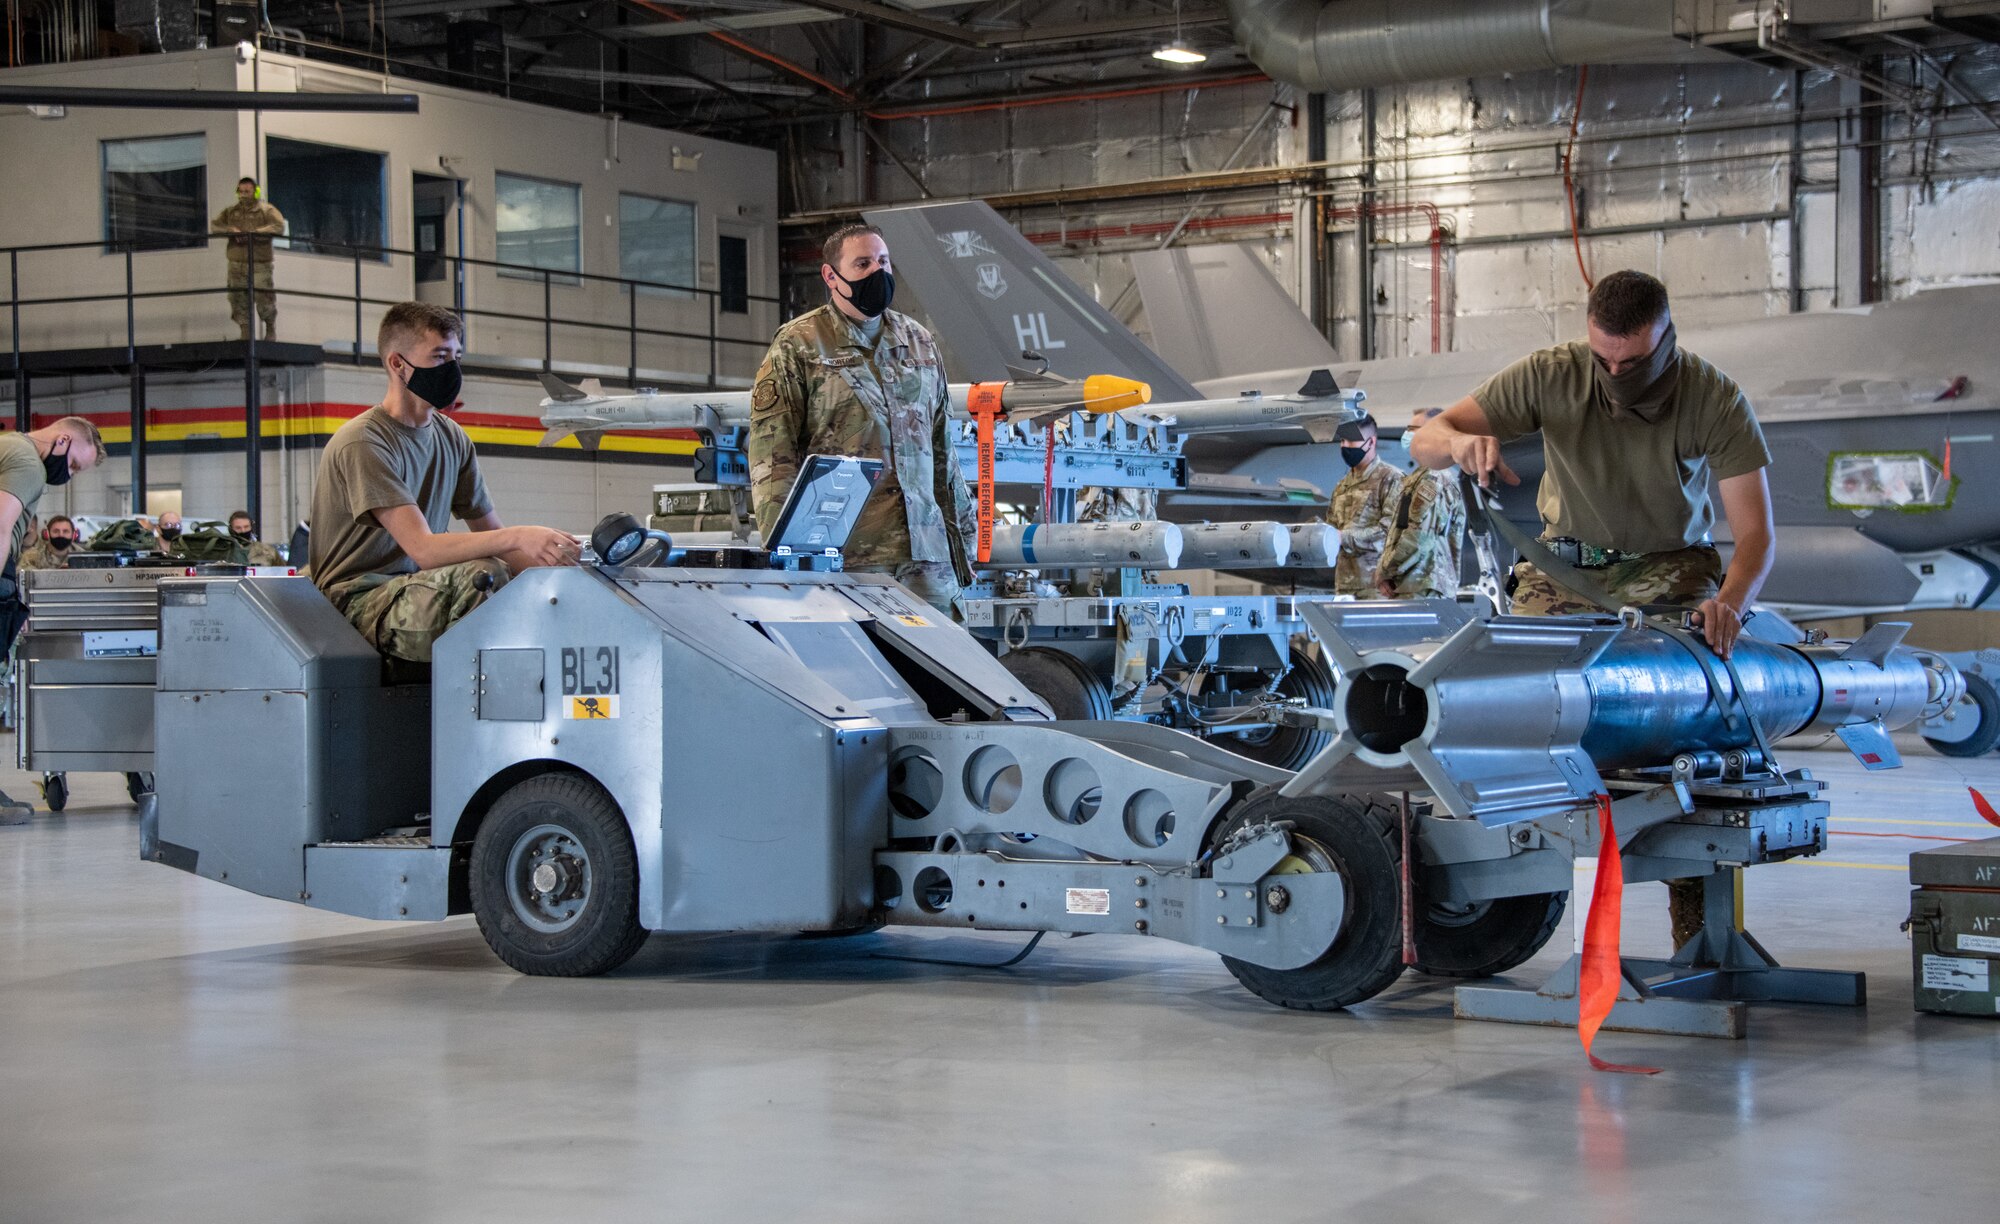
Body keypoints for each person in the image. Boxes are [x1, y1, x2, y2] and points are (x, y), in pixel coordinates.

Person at [1410, 269, 1775, 949]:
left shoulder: (1713, 397)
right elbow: (1424, 439)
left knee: (1690, 733)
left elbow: (1755, 536)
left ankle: (1699, 933)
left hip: (1672, 569)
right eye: (1603, 358)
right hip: (1563, 570)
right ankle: (1474, 909)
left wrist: (1730, 604)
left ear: (1666, 338)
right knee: (1499, 712)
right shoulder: (1553, 376)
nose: (1614, 373)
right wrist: (1458, 442)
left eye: (1632, 361)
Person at [308, 301, 577, 662]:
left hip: (417, 590)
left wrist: (565, 574)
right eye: (439, 356)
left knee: (520, 577)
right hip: (356, 602)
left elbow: (493, 536)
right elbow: (424, 549)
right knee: (484, 574)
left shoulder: (452, 438)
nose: (451, 368)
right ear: (397, 364)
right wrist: (519, 535)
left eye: (456, 356)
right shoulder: (364, 442)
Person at [748, 222, 976, 618]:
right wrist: (787, 556)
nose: (878, 272)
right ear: (831, 276)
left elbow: (941, 448)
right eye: (863, 263)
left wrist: (961, 540)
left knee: (943, 673)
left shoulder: (918, 340)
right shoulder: (799, 344)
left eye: (883, 261)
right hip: (849, 557)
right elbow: (773, 457)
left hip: (927, 556)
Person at [0, 418, 106, 823]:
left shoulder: (10, 446)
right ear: (62, 440)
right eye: (75, 465)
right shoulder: (27, 463)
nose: (71, 474)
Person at [1375, 409, 1465, 600]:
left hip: (1422, 587)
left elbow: (1417, 537)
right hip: (1414, 583)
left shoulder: (1434, 477)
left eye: (1414, 429)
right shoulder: (1422, 476)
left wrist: (1385, 570)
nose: (1408, 435)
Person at [1325, 414, 1401, 598]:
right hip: (1345, 586)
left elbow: (1391, 533)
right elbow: (1331, 529)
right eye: (1342, 440)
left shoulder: (1391, 478)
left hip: (1376, 588)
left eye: (1351, 441)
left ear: (1371, 442)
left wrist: (1344, 538)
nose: (1345, 446)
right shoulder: (1342, 485)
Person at [211, 177, 286, 342]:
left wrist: (255, 233)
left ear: (256, 192)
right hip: (236, 264)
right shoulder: (230, 212)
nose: (243, 195)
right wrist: (229, 230)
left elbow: (279, 226)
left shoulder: (267, 210)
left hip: (260, 263)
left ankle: (270, 330)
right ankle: (245, 333)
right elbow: (214, 225)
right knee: (238, 298)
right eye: (241, 191)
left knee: (263, 297)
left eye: (247, 191)